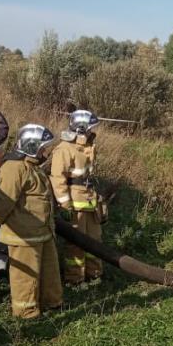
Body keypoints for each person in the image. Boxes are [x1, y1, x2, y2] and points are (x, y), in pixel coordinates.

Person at [0, 124, 63, 318]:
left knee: (50, 272)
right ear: (31, 146)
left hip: (42, 232)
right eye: (42, 147)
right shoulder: (14, 168)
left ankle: (52, 302)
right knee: (26, 277)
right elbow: (5, 201)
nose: (45, 151)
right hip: (23, 236)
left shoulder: (31, 166)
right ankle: (26, 313)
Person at [49, 110, 104, 284]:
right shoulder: (64, 149)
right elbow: (58, 178)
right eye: (90, 128)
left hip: (90, 201)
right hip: (75, 204)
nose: (92, 131)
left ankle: (94, 274)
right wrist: (65, 205)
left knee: (94, 241)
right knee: (76, 245)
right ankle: (74, 279)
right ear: (81, 128)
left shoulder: (86, 146)